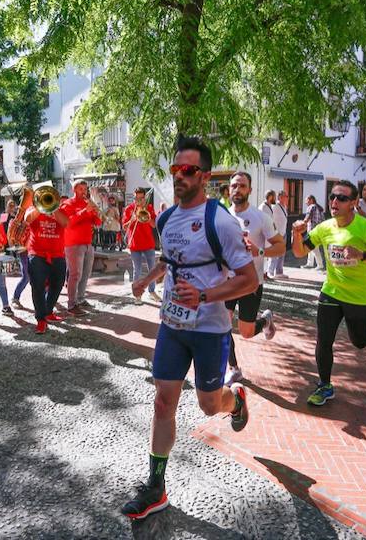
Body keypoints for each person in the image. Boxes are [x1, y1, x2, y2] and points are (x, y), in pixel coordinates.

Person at [120, 136, 257, 520]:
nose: (180, 176)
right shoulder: (165, 218)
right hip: (171, 325)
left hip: (210, 329)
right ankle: (156, 487)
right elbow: (171, 259)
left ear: (205, 176)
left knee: (209, 404)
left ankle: (236, 398)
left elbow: (250, 279)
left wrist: (205, 295)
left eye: (189, 170)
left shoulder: (221, 221)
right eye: (175, 169)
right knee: (163, 402)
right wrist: (147, 279)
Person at [291, 180, 366, 406]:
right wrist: (296, 234)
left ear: (354, 203)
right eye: (332, 197)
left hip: (360, 297)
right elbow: (300, 253)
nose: (334, 201)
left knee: (358, 341)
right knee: (323, 340)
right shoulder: (325, 227)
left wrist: (364, 256)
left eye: (342, 198)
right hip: (331, 292)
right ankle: (325, 385)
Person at [224, 171, 284, 385]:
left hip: (251, 281)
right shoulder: (223, 215)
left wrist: (259, 252)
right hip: (226, 281)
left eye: (241, 185)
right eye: (234, 185)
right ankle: (234, 368)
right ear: (229, 189)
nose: (237, 189)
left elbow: (280, 246)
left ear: (249, 189)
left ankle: (265, 320)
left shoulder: (261, 217)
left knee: (246, 332)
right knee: (221, 325)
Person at [25, 185, 70, 333]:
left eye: (49, 197)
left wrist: (54, 208)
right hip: (37, 254)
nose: (47, 199)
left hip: (57, 254)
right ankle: (41, 319)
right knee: (37, 287)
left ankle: (48, 311)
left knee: (58, 284)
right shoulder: (33, 208)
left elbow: (66, 223)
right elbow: (27, 219)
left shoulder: (60, 210)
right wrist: (40, 207)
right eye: (45, 196)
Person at [63, 180, 102, 315]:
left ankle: (80, 298)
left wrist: (96, 213)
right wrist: (85, 211)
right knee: (75, 275)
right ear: (75, 190)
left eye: (85, 189)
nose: (84, 192)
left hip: (87, 244)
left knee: (85, 274)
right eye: (81, 189)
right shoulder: (68, 204)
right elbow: (68, 222)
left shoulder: (87, 204)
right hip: (73, 244)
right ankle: (71, 304)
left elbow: (97, 223)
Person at [123, 187, 159, 305]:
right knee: (137, 270)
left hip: (148, 243)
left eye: (141, 198)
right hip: (135, 244)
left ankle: (152, 291)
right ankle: (137, 294)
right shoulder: (129, 209)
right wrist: (132, 220)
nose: (139, 200)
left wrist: (148, 218)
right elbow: (124, 227)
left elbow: (154, 225)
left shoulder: (149, 208)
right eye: (136, 198)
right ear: (134, 198)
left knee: (152, 269)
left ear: (144, 198)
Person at [301, 195, 326, 269]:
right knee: (311, 247)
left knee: (314, 248)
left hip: (312, 230)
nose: (306, 202)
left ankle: (320, 265)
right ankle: (310, 263)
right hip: (319, 230)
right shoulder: (319, 208)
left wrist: (301, 225)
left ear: (311, 200)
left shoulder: (311, 207)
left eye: (307, 200)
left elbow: (307, 218)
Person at [269, 191, 289, 279]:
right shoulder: (275, 206)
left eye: (287, 196)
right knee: (274, 253)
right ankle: (270, 271)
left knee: (282, 253)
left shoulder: (284, 206)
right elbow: (270, 219)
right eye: (285, 196)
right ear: (280, 197)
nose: (287, 198)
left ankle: (279, 272)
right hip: (276, 233)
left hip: (283, 232)